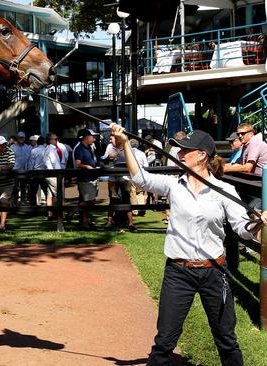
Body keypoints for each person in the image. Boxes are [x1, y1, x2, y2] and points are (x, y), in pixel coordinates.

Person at [111, 124, 267, 366]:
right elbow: (141, 179)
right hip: (178, 273)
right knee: (164, 342)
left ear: (201, 155)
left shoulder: (224, 190)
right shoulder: (175, 185)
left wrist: (258, 223)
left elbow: (242, 230)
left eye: (185, 151)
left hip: (214, 272)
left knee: (226, 339)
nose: (179, 154)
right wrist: (124, 145)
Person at [102, 134, 134, 231]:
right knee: (113, 199)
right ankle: (109, 221)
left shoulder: (127, 146)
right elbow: (103, 159)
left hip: (125, 178)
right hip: (113, 178)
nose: (110, 140)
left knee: (127, 199)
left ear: (118, 139)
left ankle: (130, 223)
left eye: (112, 138)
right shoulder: (109, 147)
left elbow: (131, 161)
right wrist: (108, 157)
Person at [73, 128, 99, 229]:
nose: (94, 139)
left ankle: (85, 220)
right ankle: (74, 211)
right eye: (92, 137)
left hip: (92, 177)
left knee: (89, 200)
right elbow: (77, 164)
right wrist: (87, 166)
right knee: (89, 200)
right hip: (85, 179)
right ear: (86, 137)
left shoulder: (89, 147)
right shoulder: (79, 148)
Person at [11, 131, 31, 204]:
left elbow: (29, 159)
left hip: (24, 170)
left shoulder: (28, 147)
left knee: (23, 187)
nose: (21, 139)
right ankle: (14, 201)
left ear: (25, 138)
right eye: (20, 137)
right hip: (15, 170)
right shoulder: (12, 147)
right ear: (17, 138)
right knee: (15, 188)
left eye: (22, 137)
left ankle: (23, 201)